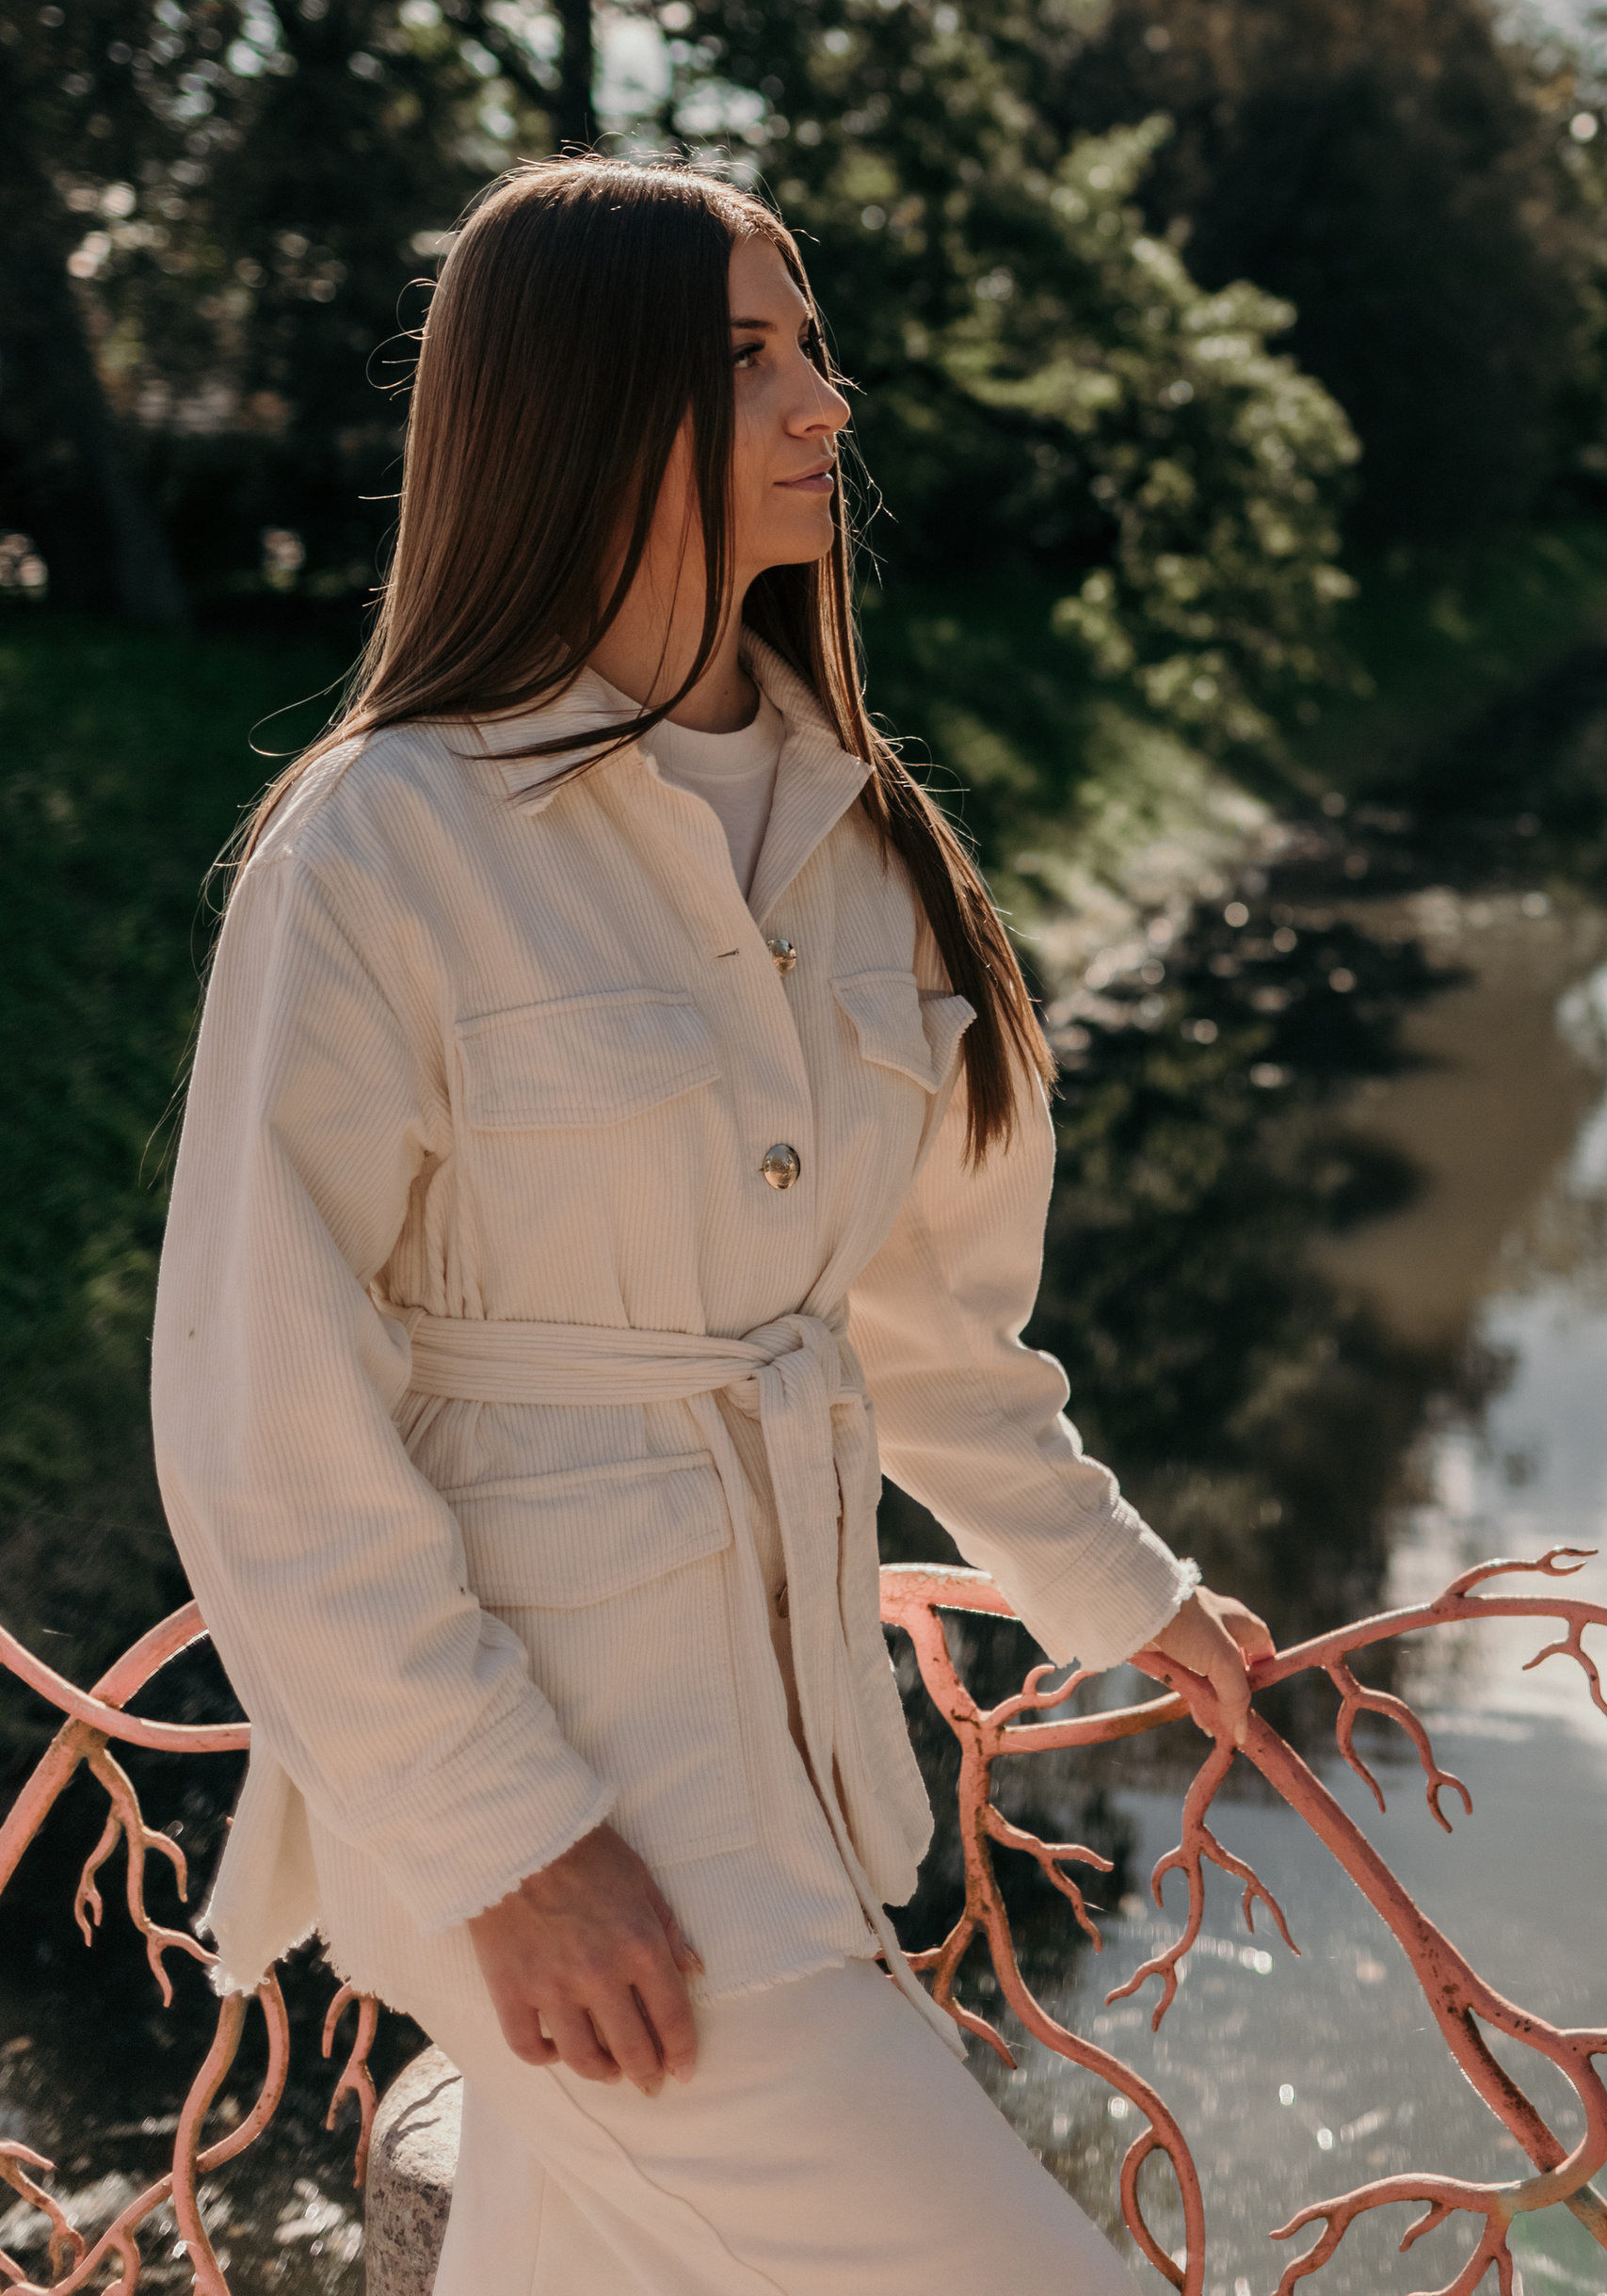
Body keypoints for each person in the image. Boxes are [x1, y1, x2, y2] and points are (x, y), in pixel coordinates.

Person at [153, 156, 1274, 2294]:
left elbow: (924, 1331)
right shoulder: (383, 843)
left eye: (809, 349)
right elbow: (257, 1409)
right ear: (585, 402)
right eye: (750, 355)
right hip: (588, 1841)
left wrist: (1132, 1599)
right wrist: (509, 1840)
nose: (822, 406)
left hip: (810, 1799)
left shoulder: (867, 838)